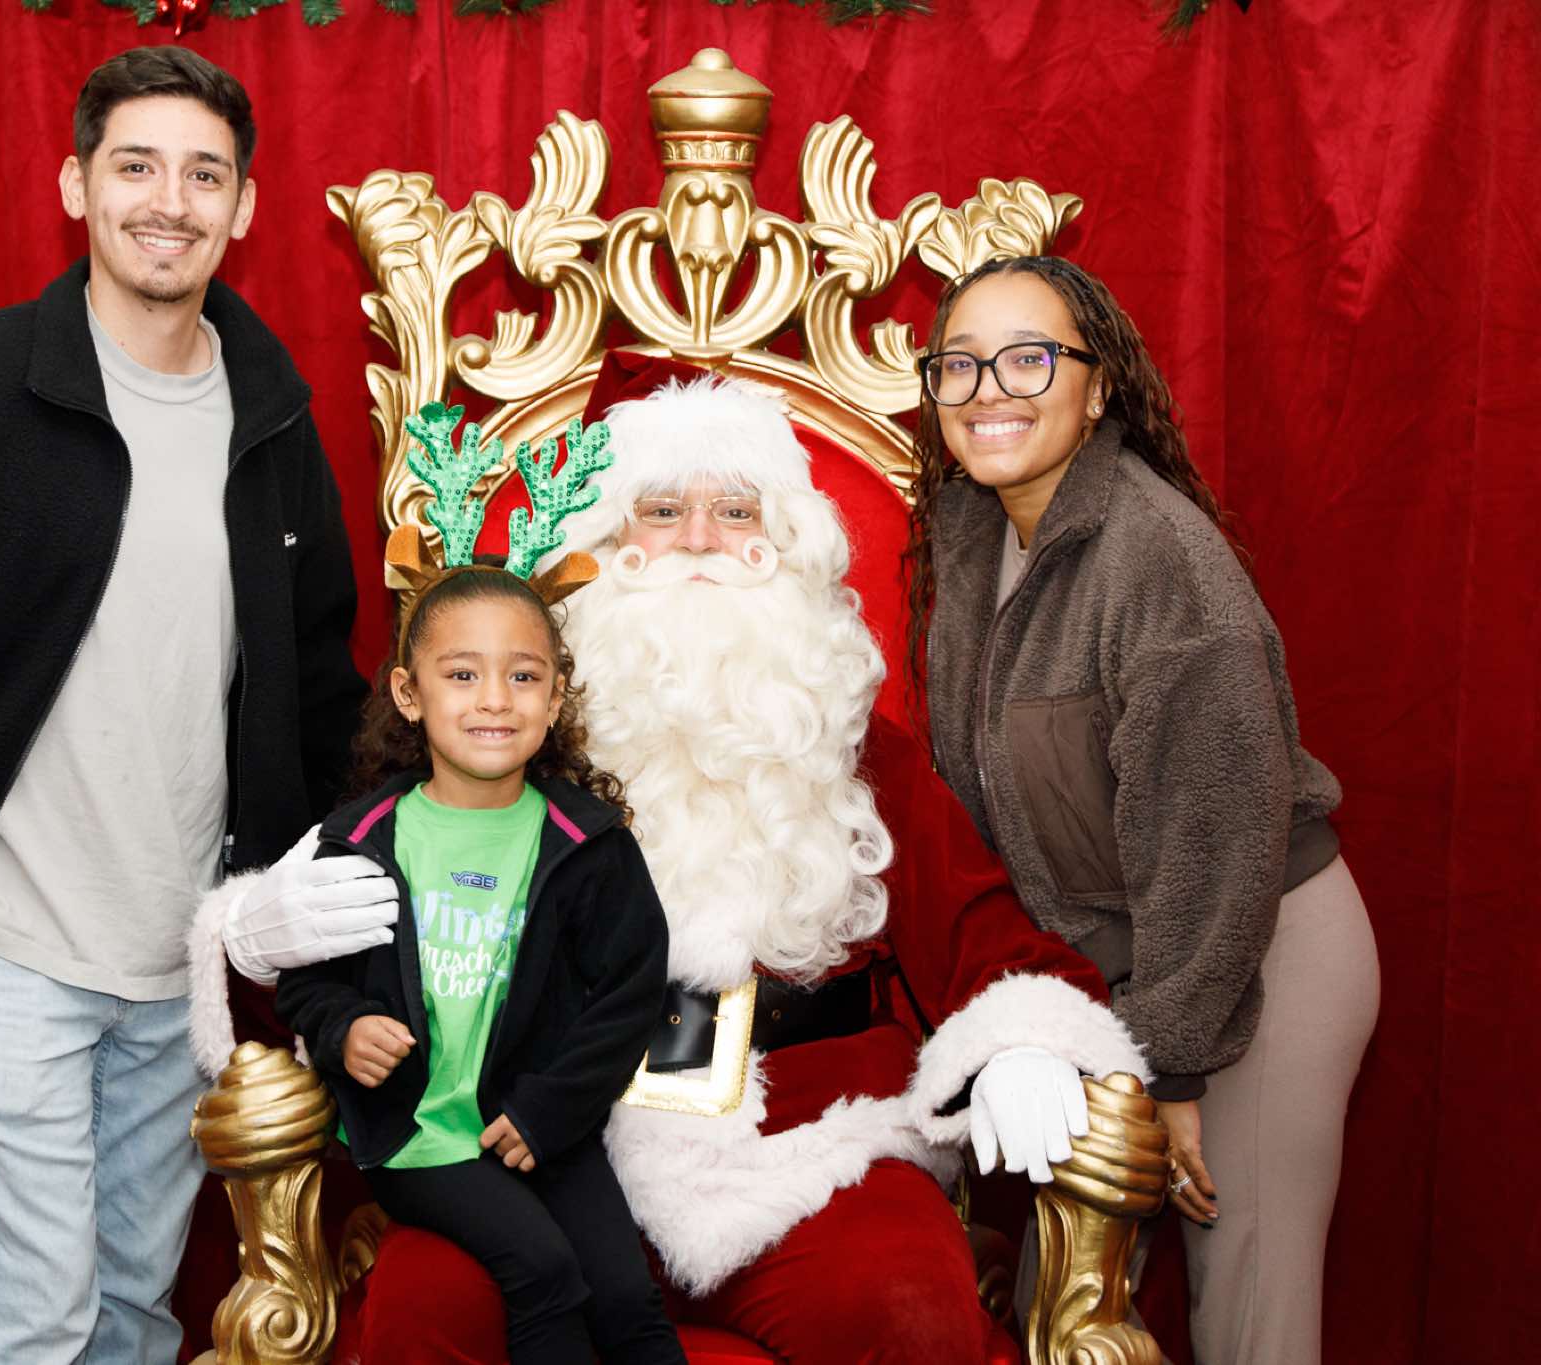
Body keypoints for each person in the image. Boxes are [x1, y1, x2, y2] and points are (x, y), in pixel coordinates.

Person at [190, 363, 1152, 1365]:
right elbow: (335, 966)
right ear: (604, 546)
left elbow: (989, 939)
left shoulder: (857, 752)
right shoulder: (500, 737)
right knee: (423, 1315)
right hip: (533, 1135)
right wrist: (257, 933)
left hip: (805, 1150)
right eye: (659, 510)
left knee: (911, 1315)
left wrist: (1025, 1041)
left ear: (788, 546)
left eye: (735, 511)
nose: (697, 540)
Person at [0, 47, 392, 1363]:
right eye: (136, 166)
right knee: (36, 1324)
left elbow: (316, 683)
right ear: (76, 184)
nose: (169, 201)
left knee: (131, 1315)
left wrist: (316, 905)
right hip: (0, 942)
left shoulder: (274, 422)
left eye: (203, 175)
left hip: (185, 964)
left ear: (245, 206)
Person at [905, 254, 1379, 1364]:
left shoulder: (1159, 557)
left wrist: (1170, 1065)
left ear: (1097, 387)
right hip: (1110, 979)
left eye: (1028, 359)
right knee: (1056, 1290)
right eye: (959, 365)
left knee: (1248, 1313)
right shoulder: (968, 532)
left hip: (1254, 952)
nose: (988, 390)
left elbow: (1215, 837)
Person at [276, 558, 685, 1365]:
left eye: (522, 675)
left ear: (555, 697)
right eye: (462, 674)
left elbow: (630, 993)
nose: (494, 698)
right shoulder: (360, 841)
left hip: (538, 1119)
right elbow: (306, 978)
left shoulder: (588, 842)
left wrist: (549, 1110)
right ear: (409, 692)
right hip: (418, 1133)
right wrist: (345, 1026)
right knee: (543, 1269)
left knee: (626, 1296)